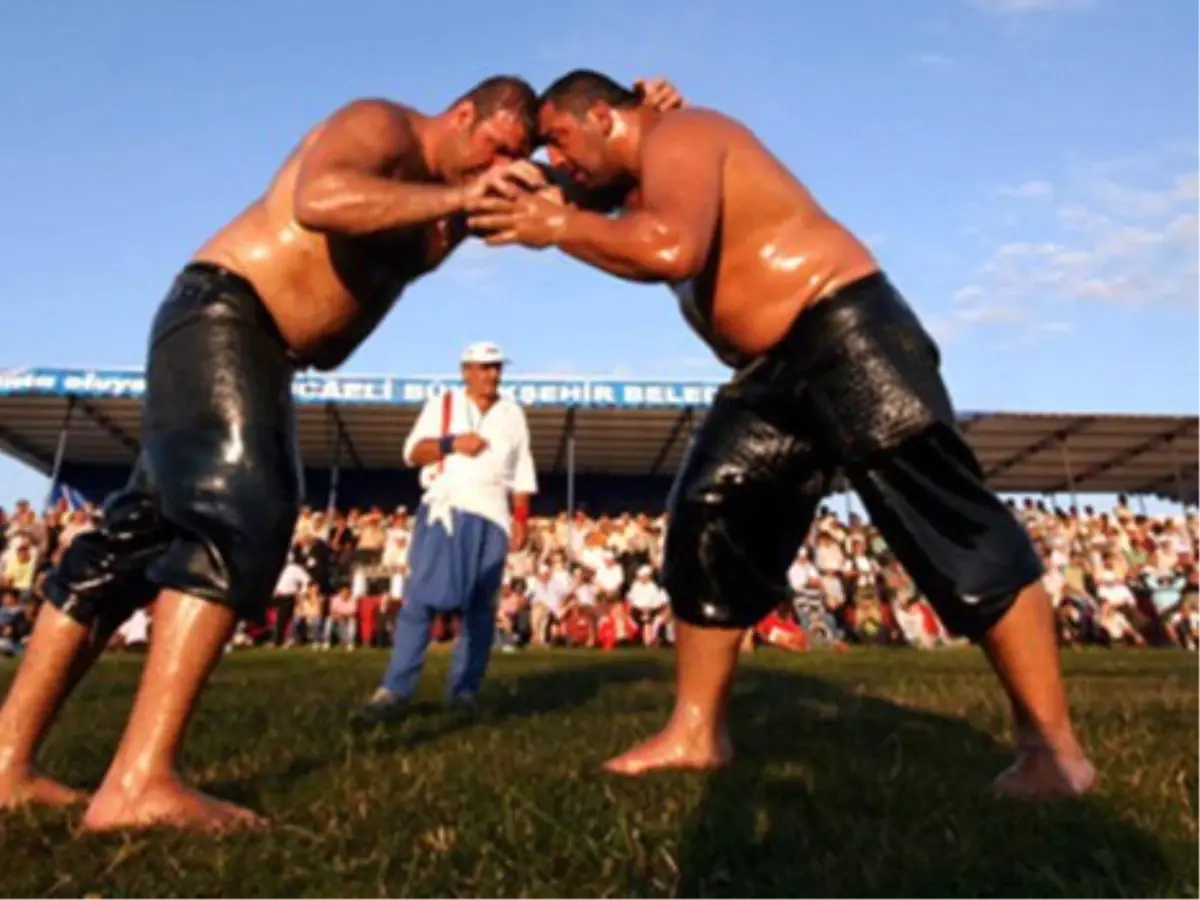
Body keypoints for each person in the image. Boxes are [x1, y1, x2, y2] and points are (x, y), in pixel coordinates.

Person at [0, 74, 681, 834]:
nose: (504, 167)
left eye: (520, 156)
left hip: (248, 342)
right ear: (463, 116)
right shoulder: (382, 128)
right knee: (241, 513)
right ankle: (138, 781)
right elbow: (319, 199)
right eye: (500, 148)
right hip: (227, 312)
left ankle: (5, 766)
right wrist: (459, 197)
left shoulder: (458, 190)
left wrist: (639, 124)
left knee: (126, 543)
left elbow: (576, 192)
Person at [467, 70, 1096, 799]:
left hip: (848, 334)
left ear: (606, 115)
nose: (558, 160)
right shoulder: (630, 175)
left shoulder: (683, 135)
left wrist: (558, 225)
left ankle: (1054, 751)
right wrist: (529, 196)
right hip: (774, 373)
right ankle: (697, 732)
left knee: (953, 527)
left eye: (562, 140)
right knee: (709, 518)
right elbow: (559, 197)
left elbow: (671, 248)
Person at [362, 341, 536, 717]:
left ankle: (464, 691)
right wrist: (451, 443)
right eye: (483, 367)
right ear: (466, 371)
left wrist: (520, 518)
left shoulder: (512, 413)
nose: (491, 374)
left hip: (494, 516)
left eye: (496, 367)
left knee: (481, 607)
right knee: (422, 598)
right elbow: (412, 452)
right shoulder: (442, 404)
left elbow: (522, 469)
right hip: (449, 505)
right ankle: (395, 689)